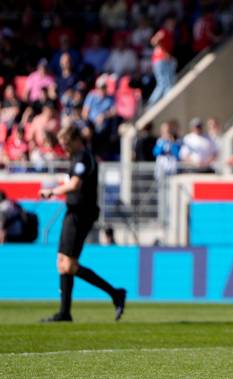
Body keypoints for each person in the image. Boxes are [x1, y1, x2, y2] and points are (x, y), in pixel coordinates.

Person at [38, 125, 126, 322]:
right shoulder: (76, 156)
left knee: (68, 264)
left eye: (67, 144)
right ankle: (65, 312)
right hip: (73, 212)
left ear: (77, 140)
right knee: (62, 262)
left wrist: (52, 191)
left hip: (81, 214)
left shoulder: (83, 158)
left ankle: (114, 293)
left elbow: (75, 184)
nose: (65, 148)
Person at [147, 16, 177, 105]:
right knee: (164, 83)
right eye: (171, 23)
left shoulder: (169, 33)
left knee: (166, 82)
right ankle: (152, 104)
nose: (173, 25)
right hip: (161, 60)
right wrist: (164, 52)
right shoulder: (164, 31)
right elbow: (154, 41)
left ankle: (161, 102)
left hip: (162, 60)